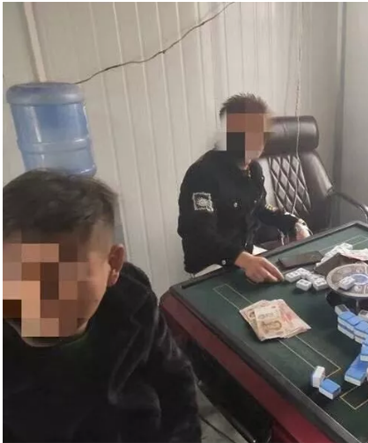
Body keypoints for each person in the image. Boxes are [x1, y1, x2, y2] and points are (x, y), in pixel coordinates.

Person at [3, 170, 202, 443]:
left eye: (64, 275)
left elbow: (175, 382)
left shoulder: (133, 300)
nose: (35, 296)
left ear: (113, 265)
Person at [178, 93, 311, 282]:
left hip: (246, 255)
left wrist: (293, 223)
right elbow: (201, 235)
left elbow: (260, 208)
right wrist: (244, 259)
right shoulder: (202, 174)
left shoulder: (254, 169)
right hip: (212, 265)